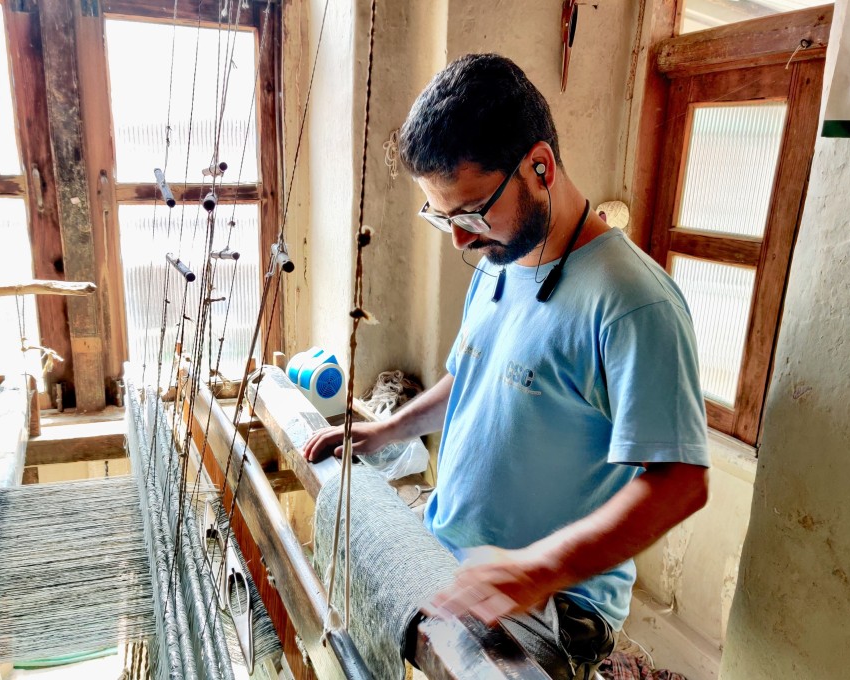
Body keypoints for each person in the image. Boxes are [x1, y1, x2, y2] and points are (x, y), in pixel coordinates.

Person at [302, 53, 710, 680]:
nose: (460, 239)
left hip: (551, 601)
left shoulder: (631, 302)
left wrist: (541, 568)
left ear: (539, 167)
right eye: (442, 217)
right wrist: (384, 432)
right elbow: (471, 378)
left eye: (470, 213)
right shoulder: (499, 264)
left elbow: (681, 481)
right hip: (452, 556)